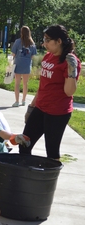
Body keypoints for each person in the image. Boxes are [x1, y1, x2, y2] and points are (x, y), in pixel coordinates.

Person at [20, 25, 81, 160]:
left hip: (58, 112)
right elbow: (43, 86)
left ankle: (49, 181)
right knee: (24, 144)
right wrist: (31, 107)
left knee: (52, 151)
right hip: (41, 107)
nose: (44, 43)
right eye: (44, 39)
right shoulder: (48, 57)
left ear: (58, 41)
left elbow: (69, 92)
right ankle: (25, 178)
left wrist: (72, 71)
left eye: (48, 40)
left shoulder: (70, 61)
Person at [11, 26, 37, 107]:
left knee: (17, 84)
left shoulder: (18, 42)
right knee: (25, 84)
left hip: (18, 64)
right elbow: (33, 56)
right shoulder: (32, 44)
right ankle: (24, 100)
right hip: (27, 65)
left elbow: (13, 54)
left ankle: (17, 101)